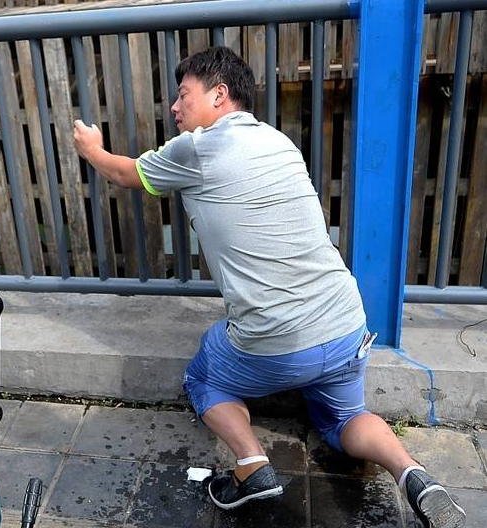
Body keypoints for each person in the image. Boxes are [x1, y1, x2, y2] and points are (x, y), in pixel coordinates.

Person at [72, 46, 465, 527]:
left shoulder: (198, 148)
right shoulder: (280, 142)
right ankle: (414, 475)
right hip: (345, 326)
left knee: (204, 374)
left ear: (219, 96)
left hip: (275, 343)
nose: (174, 108)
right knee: (346, 419)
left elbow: (123, 172)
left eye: (183, 95)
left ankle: (252, 465)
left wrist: (90, 147)